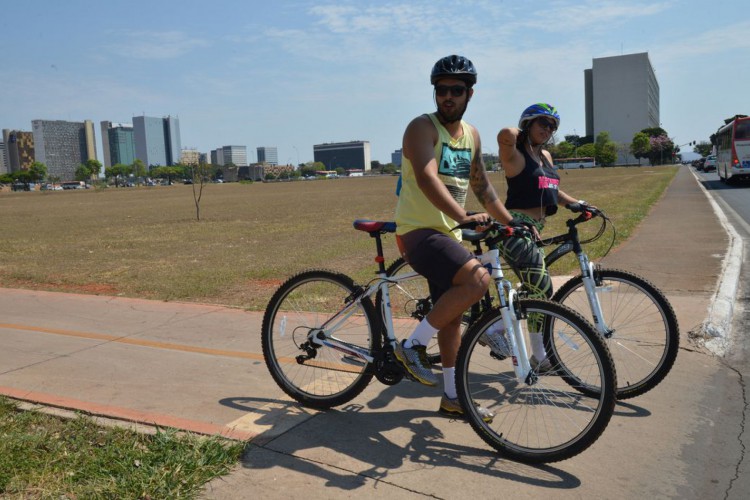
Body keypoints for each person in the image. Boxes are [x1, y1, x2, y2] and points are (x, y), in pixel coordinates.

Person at [394, 55, 518, 420]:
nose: (448, 96)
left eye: (456, 90)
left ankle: (452, 397)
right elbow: (426, 177)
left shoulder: (472, 136)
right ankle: (412, 345)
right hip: (418, 232)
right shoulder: (422, 127)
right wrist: (463, 217)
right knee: (478, 279)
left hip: (448, 235)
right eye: (441, 89)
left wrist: (514, 223)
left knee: (451, 317)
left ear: (470, 93)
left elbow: (482, 186)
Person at [496, 103, 595, 371]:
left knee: (535, 288)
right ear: (527, 124)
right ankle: (527, 348)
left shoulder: (547, 157)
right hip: (513, 227)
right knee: (542, 288)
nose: (548, 129)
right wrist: (526, 128)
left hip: (535, 229)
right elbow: (504, 133)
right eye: (542, 123)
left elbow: (553, 190)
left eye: (552, 126)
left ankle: (506, 331)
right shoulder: (514, 154)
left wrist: (578, 204)